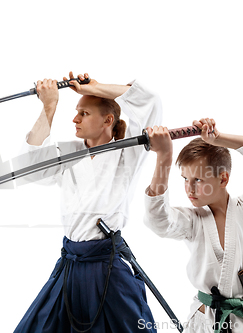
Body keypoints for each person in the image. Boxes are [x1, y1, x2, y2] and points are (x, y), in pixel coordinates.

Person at [13, 72, 162, 333]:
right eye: (76, 111)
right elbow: (28, 167)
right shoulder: (66, 153)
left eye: (84, 113)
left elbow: (150, 102)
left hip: (107, 264)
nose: (75, 118)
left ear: (108, 120)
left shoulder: (129, 152)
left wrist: (95, 88)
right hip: (70, 262)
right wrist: (49, 106)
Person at [144, 119, 243, 333]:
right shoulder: (193, 220)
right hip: (206, 322)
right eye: (185, 178)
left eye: (198, 180)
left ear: (223, 178)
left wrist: (219, 138)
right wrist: (164, 157)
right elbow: (158, 219)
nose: (189, 188)